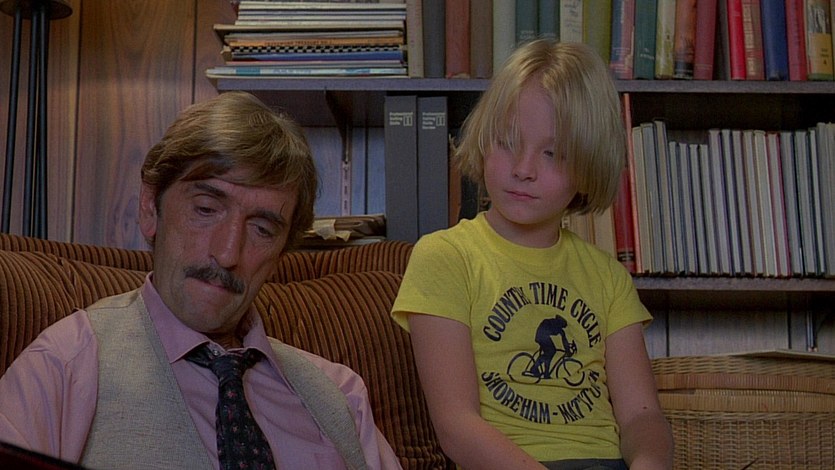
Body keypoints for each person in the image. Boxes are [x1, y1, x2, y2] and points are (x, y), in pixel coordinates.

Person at [0, 91, 401, 470]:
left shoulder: (340, 395)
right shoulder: (64, 366)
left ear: (281, 253)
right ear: (150, 207)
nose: (227, 254)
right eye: (206, 209)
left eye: (262, 229)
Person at [391, 40, 674, 470]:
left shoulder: (607, 275)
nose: (524, 169)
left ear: (587, 166)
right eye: (508, 141)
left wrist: (648, 465)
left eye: (552, 153)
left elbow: (641, 414)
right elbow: (456, 425)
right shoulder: (445, 256)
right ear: (484, 139)